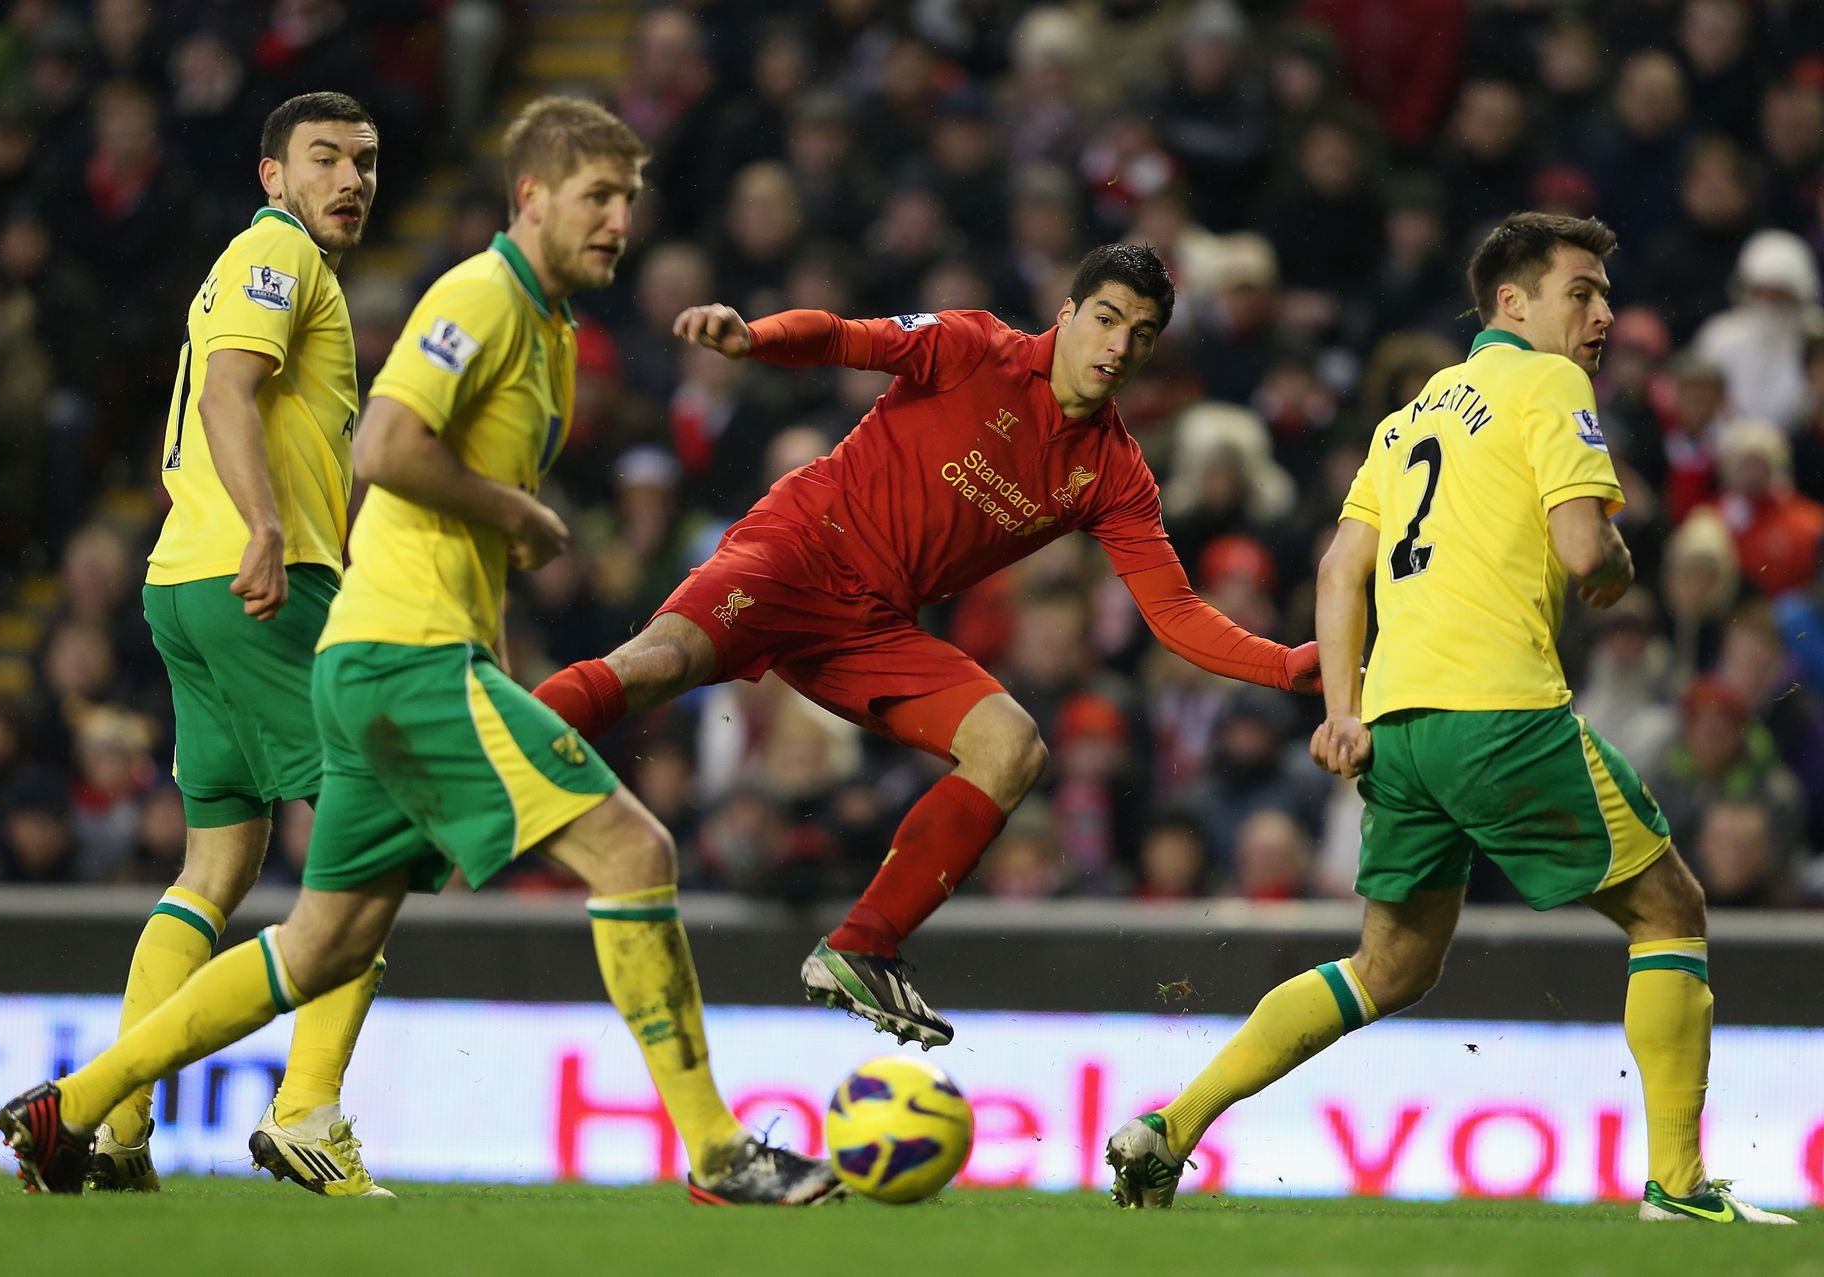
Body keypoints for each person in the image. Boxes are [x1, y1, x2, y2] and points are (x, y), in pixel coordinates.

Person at [0, 96, 839, 1209]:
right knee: (634, 856)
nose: (618, 220)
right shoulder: (457, 294)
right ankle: (715, 1149)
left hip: (344, 630)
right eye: (596, 195)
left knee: (309, 932)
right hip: (367, 636)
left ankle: (81, 1103)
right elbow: (383, 446)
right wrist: (472, 519)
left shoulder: (548, 329)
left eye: (629, 199)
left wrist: (494, 623)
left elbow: (447, 518)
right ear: (530, 197)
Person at [1104, 212, 1795, 1225]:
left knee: (1388, 965)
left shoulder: (1409, 416)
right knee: (1670, 909)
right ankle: (1680, 1187)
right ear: (1512, 302)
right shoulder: (1551, 382)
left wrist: (1343, 711)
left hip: (1399, 729)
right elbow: (1586, 550)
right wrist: (1616, 568)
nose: (1601, 314)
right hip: (1501, 710)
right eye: (1581, 291)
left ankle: (1170, 1127)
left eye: (1605, 294)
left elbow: (1341, 566)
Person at [531, 243, 1321, 1049]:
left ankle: (862, 947)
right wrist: (754, 338)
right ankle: (488, 745)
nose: (1119, 346)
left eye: (1143, 334)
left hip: (874, 624)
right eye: (1109, 319)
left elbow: (1176, 613)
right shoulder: (973, 345)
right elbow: (843, 336)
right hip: (805, 542)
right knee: (661, 663)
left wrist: (1287, 664)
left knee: (1011, 746)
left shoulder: (1115, 474)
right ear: (1068, 314)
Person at [89, 91, 387, 1197]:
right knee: (380, 838)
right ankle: (308, 1107)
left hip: (186, 581)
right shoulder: (278, 256)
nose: (349, 178)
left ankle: (116, 1125)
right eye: (323, 159)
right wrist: (266, 525)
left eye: (363, 160)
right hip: (258, 577)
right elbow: (226, 388)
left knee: (217, 863)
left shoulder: (277, 262)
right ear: (273, 175)